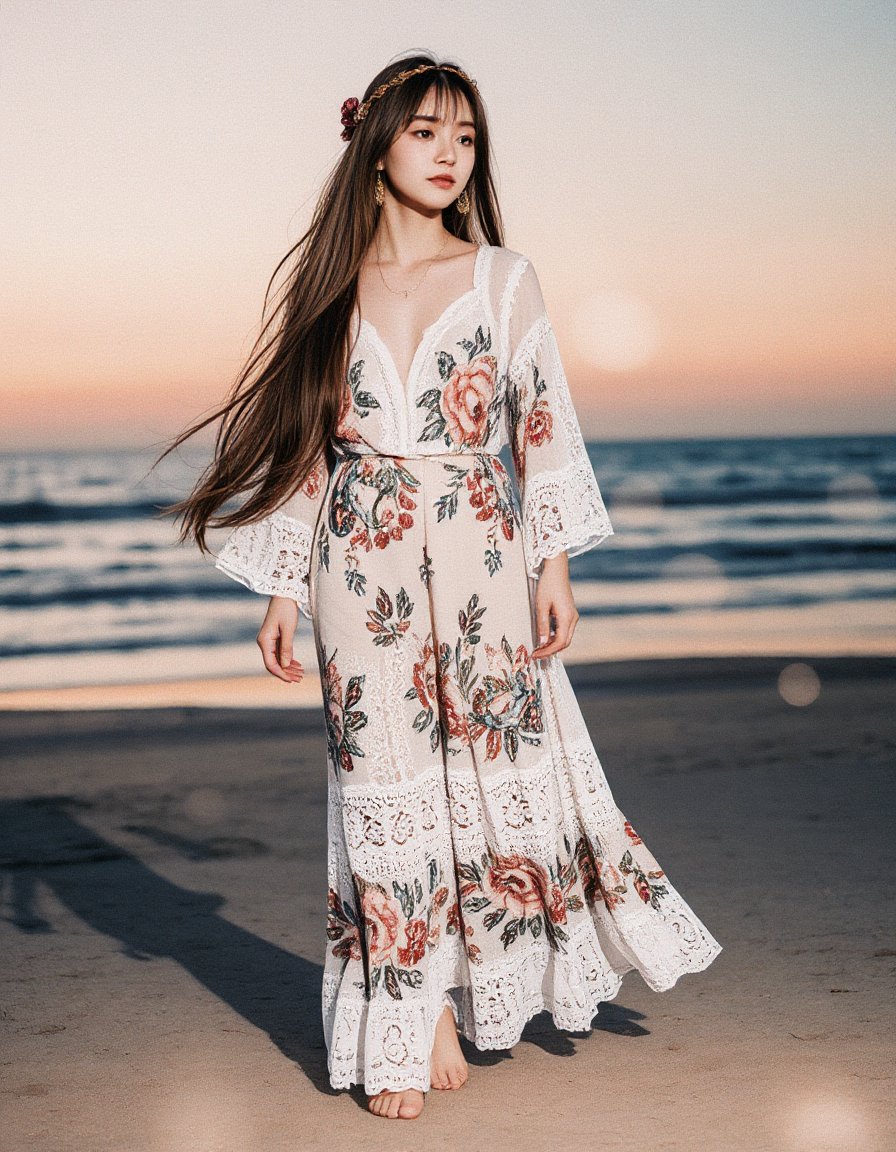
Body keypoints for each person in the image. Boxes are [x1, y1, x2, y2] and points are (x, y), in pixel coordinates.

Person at [157, 52, 722, 1121]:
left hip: (483, 558)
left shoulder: (505, 279)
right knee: (382, 787)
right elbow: (300, 453)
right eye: (424, 132)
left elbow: (540, 423)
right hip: (353, 561)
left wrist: (553, 564)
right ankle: (412, 1010)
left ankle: (464, 982)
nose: (448, 154)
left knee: (491, 768)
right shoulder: (327, 292)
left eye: (463, 137)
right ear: (375, 143)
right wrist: (281, 588)